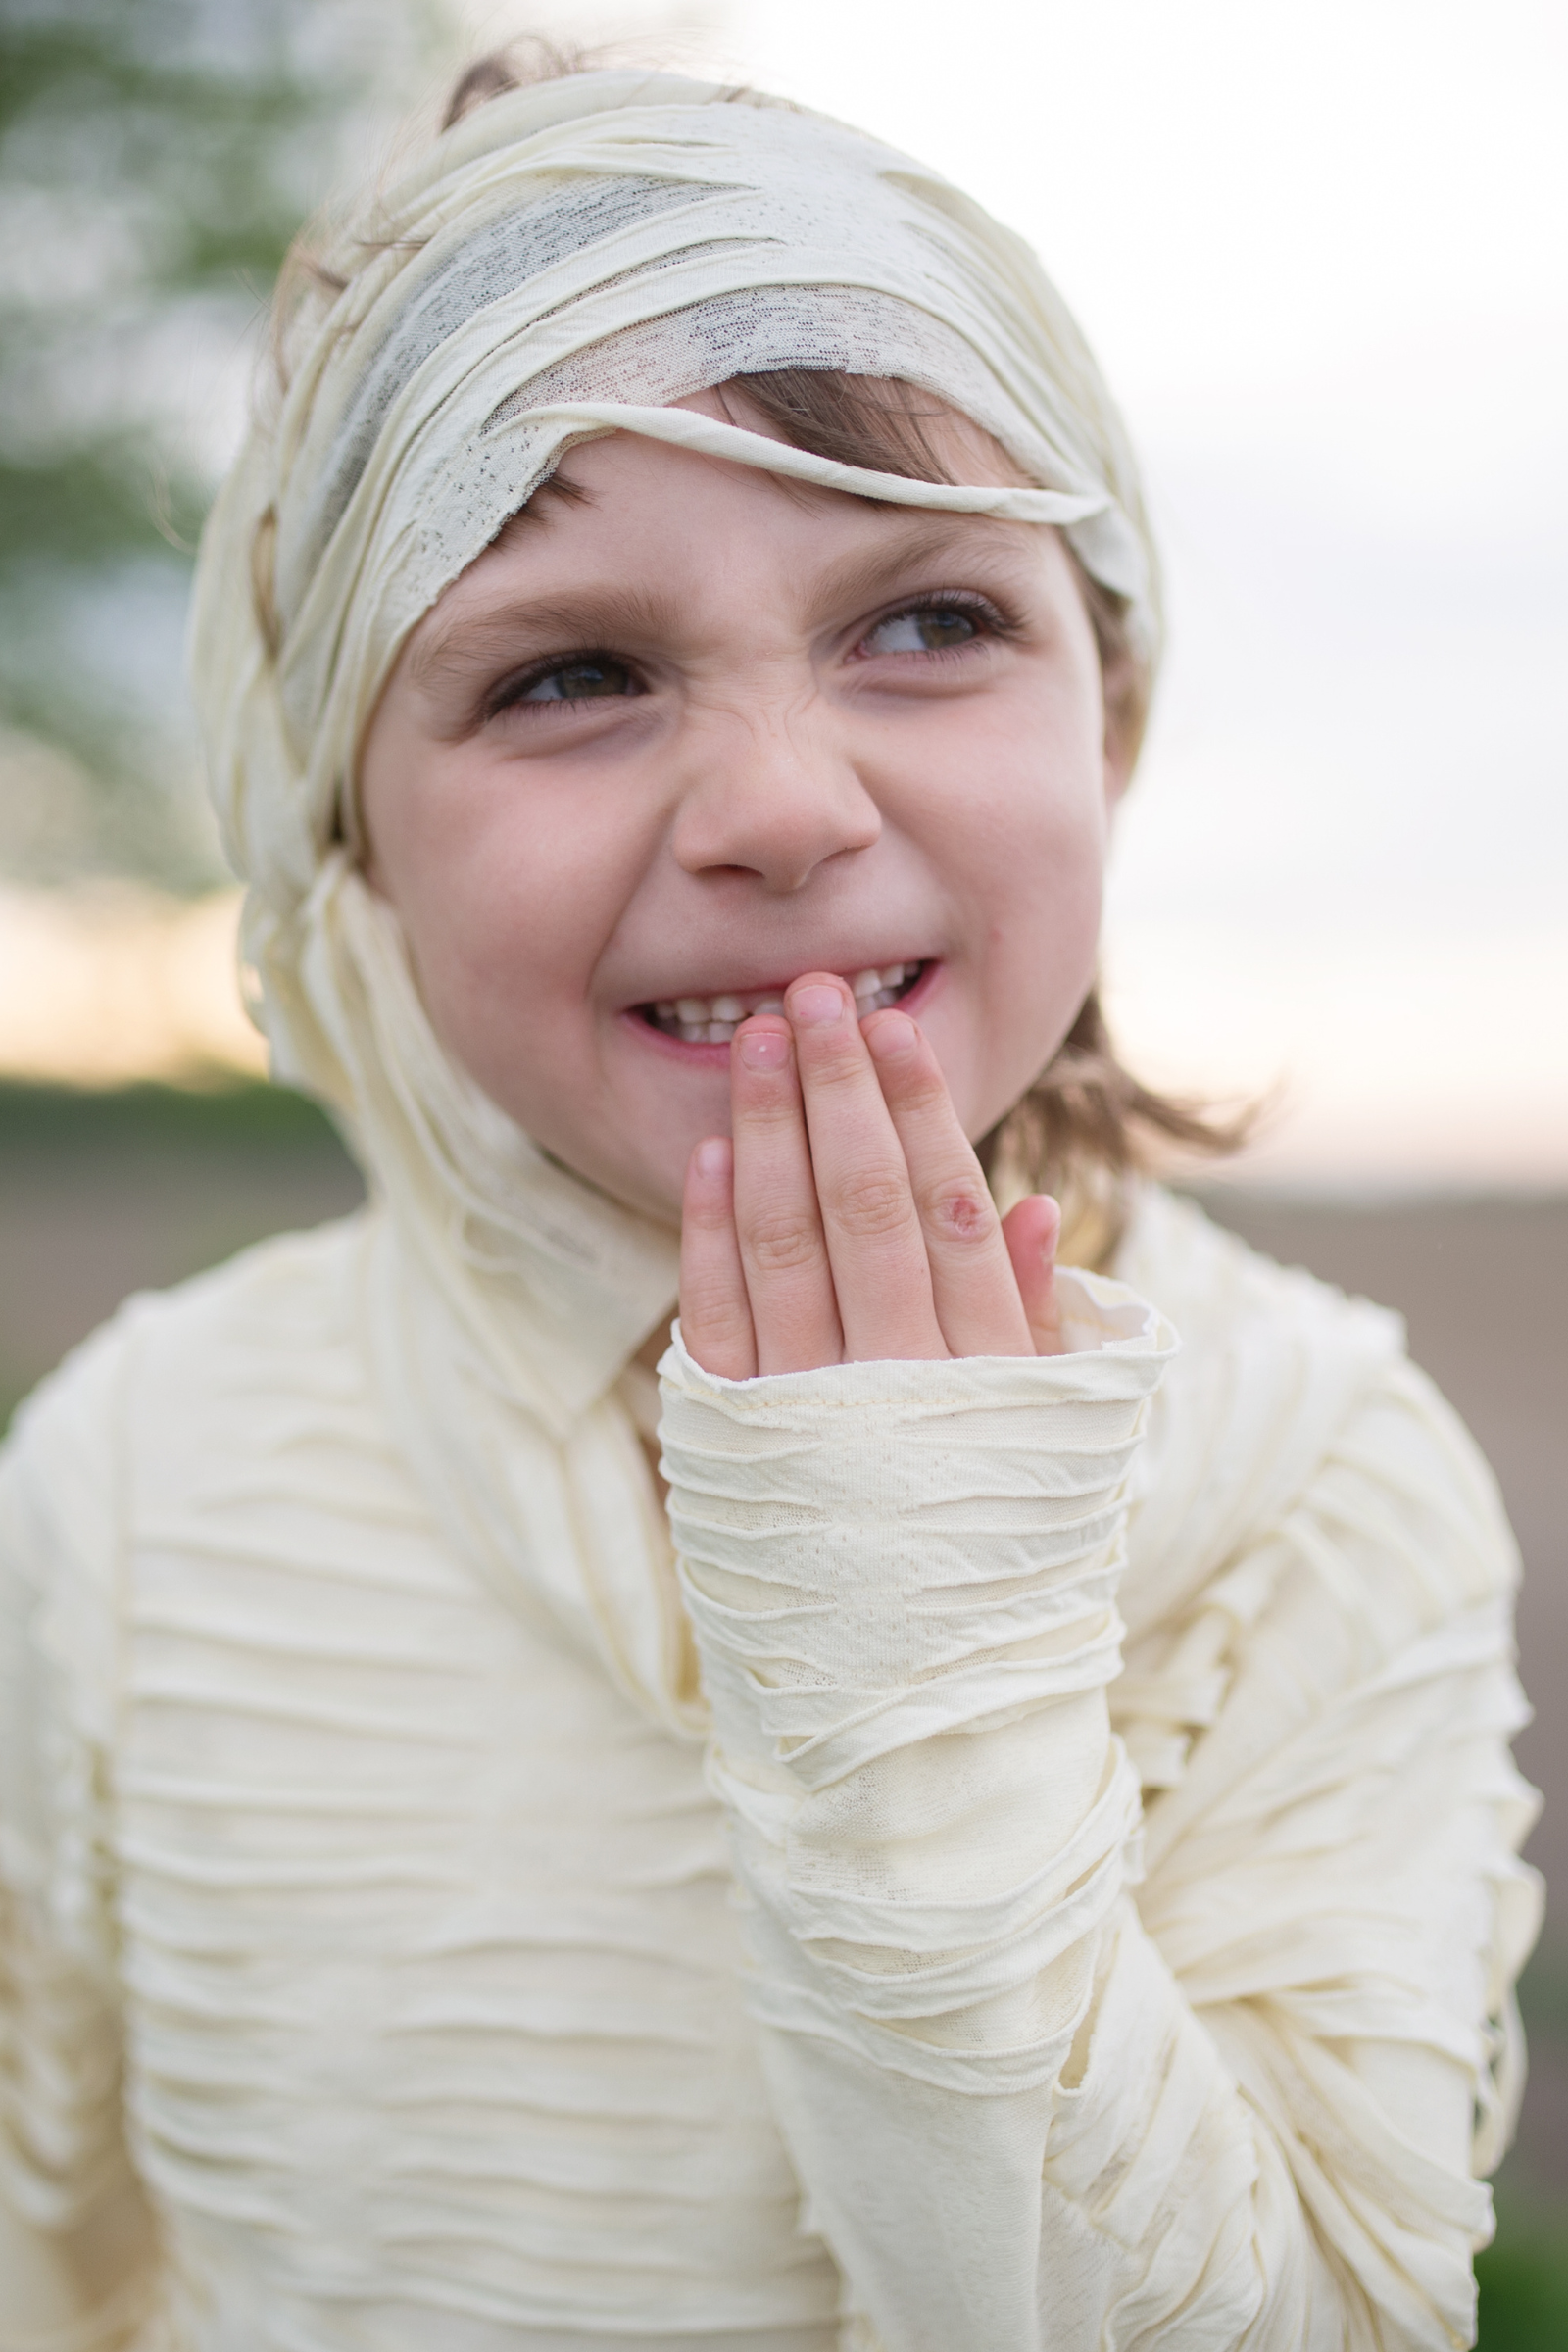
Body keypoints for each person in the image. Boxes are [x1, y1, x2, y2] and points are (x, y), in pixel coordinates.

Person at [0, 56, 1542, 2352]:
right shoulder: (135, 1484)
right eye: (570, 674)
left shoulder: (1316, 1481)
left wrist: (912, 1655)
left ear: (1102, 719)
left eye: (921, 622)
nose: (782, 809)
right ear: (346, 839)